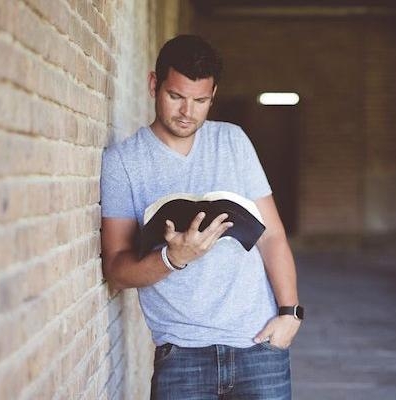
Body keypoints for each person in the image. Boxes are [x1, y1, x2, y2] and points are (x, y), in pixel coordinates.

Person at [100, 34, 302, 399]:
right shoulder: (123, 163)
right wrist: (172, 259)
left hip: (259, 346)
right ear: (153, 85)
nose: (187, 112)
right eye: (175, 96)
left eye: (200, 101)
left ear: (213, 96)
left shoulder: (233, 142)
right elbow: (116, 269)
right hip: (182, 356)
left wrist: (290, 313)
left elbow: (271, 236)